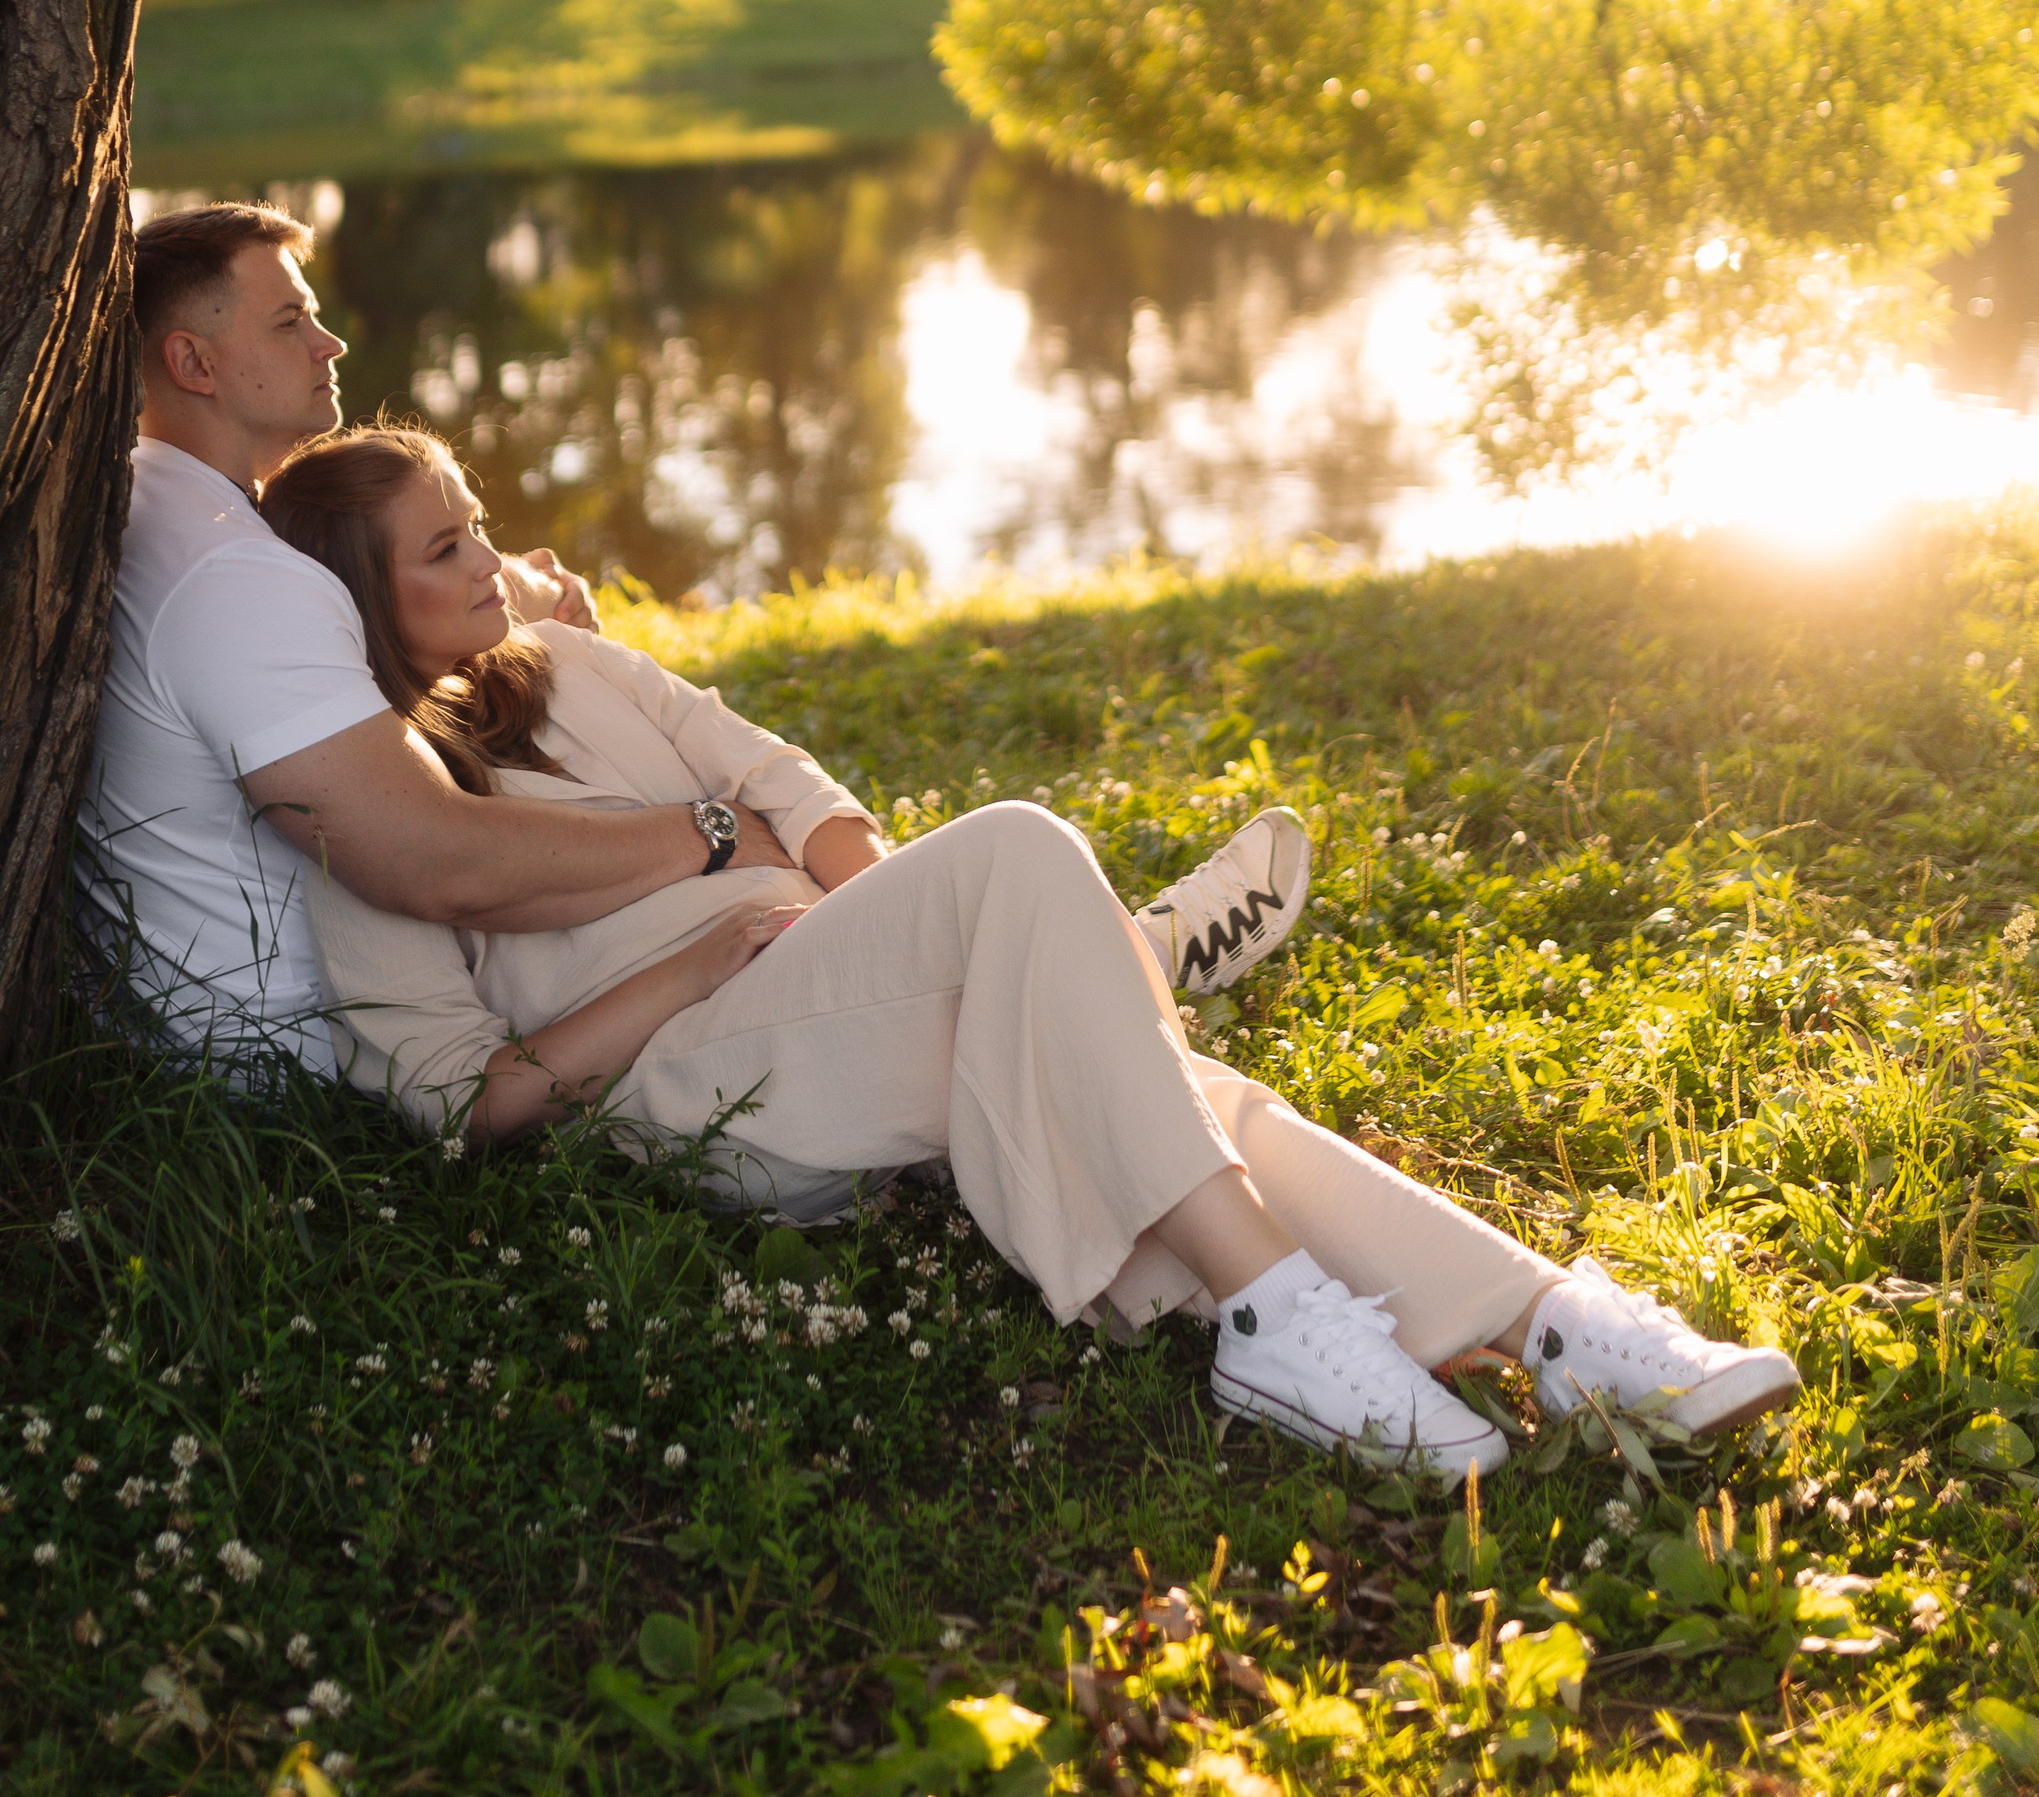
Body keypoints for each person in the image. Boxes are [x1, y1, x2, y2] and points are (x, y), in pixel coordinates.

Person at [256, 418, 1806, 1485]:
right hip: (691, 1084)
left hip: (850, 981)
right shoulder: (371, 817)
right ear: (359, 600)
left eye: (479, 528)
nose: (493, 566)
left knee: (1160, 1090)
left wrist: (862, 885)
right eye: (445, 550)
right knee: (1012, 855)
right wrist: (688, 968)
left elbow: (789, 781)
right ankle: (1262, 1249)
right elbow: (457, 1106)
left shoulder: (573, 664)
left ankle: (1535, 1325)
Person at [80, 200, 1307, 1081]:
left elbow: (390, 555)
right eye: (292, 320)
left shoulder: (183, 512)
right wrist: (708, 839)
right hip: (327, 1028)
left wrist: (519, 591)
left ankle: (1037, 953)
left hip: (336, 973)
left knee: (654, 727)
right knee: (708, 825)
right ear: (193, 358)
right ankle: (1117, 958)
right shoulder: (241, 574)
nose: (330, 342)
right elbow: (432, 858)